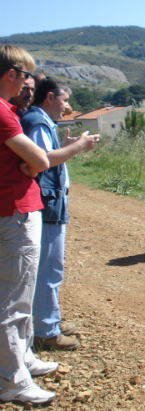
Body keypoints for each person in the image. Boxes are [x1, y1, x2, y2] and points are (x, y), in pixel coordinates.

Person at [21, 77, 99, 351]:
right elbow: (42, 160)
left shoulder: (38, 121)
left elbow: (48, 155)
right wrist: (79, 146)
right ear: (50, 98)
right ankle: (46, 329)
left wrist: (66, 146)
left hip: (46, 202)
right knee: (49, 267)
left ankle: (45, 319)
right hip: (47, 204)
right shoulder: (39, 122)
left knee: (44, 266)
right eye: (65, 101)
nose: (67, 107)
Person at [0, 45, 56, 405]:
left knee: (20, 291)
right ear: (10, 74)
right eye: (25, 75)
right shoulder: (3, 114)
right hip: (14, 212)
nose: (27, 82)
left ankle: (24, 359)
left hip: (16, 210)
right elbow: (38, 159)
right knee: (13, 301)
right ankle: (12, 380)